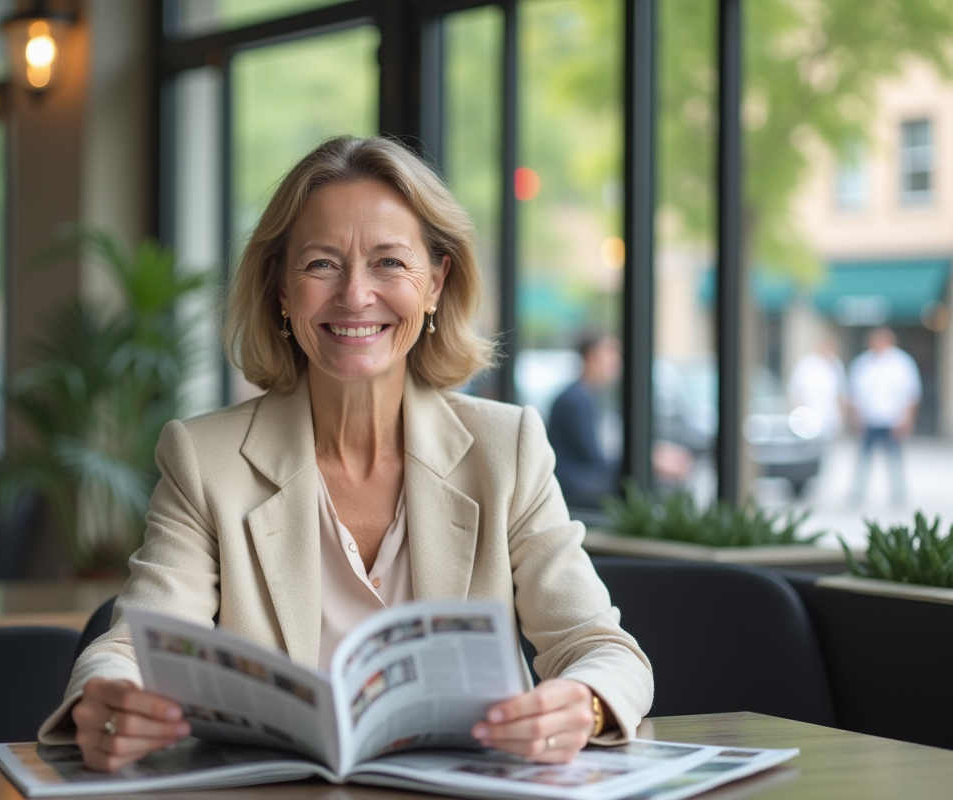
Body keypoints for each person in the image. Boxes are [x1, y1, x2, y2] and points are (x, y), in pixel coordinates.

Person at [37, 136, 653, 771]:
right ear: (281, 287)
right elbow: (129, 649)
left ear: (436, 283)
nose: (355, 295)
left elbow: (601, 648)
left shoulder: (507, 449)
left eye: (389, 262)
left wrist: (583, 704)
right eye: (321, 264)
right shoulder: (204, 459)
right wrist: (108, 699)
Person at [547, 333, 693, 508]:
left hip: (581, 482)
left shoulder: (586, 397)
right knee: (644, 481)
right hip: (574, 488)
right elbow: (593, 458)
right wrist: (650, 460)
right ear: (591, 356)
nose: (616, 360)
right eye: (610, 352)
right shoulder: (574, 400)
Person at [847, 327, 921, 504]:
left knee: (894, 459)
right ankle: (857, 492)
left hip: (893, 420)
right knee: (863, 459)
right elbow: (854, 395)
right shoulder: (862, 363)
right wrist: (855, 419)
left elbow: (911, 394)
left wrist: (907, 420)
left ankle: (897, 494)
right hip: (869, 419)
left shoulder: (902, 362)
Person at [788, 338, 846, 442]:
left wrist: (841, 417)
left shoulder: (836, 364)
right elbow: (797, 391)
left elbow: (839, 392)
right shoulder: (806, 364)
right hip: (810, 415)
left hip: (830, 416)